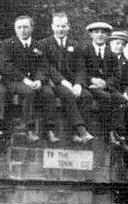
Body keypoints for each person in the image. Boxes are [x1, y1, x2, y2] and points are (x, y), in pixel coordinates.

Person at [36, 12, 95, 144]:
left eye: (63, 26)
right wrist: (65, 83)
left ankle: (76, 135)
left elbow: (81, 68)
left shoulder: (75, 45)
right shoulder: (43, 44)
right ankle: (81, 130)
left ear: (68, 27)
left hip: (72, 83)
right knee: (67, 94)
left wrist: (79, 84)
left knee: (86, 96)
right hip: (54, 83)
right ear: (52, 27)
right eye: (57, 26)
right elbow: (48, 67)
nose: (60, 29)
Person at [1, 15, 53, 142]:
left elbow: (44, 66)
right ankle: (28, 129)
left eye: (25, 27)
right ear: (15, 29)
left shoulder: (39, 45)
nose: (22, 30)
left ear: (32, 28)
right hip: (15, 81)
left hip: (34, 81)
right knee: (29, 92)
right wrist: (25, 80)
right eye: (19, 27)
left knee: (49, 93)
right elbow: (7, 67)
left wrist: (39, 80)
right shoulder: (8, 44)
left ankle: (49, 129)